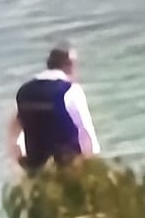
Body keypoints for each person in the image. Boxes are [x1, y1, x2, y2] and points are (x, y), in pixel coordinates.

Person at [8, 42, 101, 171]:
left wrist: (21, 159)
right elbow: (85, 130)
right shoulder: (70, 90)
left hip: (37, 167)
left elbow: (14, 133)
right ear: (69, 65)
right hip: (69, 167)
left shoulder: (24, 91)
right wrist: (93, 165)